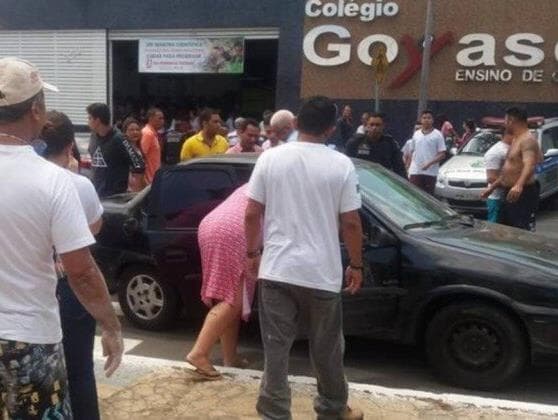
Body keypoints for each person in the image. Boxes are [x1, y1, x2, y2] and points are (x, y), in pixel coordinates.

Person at [0, 56, 123, 419]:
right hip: (28, 339)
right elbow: (81, 271)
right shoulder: (53, 181)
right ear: (36, 110)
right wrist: (111, 324)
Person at [245, 96, 364, 420]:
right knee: (327, 350)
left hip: (277, 270)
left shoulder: (270, 159)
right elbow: (351, 223)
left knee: (276, 349)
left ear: (296, 123)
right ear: (331, 127)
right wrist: (356, 264)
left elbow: (252, 214)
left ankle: (274, 413)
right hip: (321, 274)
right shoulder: (341, 164)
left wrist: (252, 253)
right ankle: (332, 409)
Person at [42, 110, 105, 420]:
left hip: (29, 287)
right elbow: (94, 229)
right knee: (79, 370)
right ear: (70, 146)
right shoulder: (78, 185)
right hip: (69, 286)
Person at [186, 184, 259, 378]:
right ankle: (199, 352)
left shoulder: (260, 176)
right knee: (233, 301)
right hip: (235, 231)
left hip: (211, 225)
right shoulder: (282, 182)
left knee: (229, 296)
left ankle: (230, 358)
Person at [481, 108, 543, 231]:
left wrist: (519, 185)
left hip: (522, 193)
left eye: (505, 121)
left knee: (519, 230)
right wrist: (492, 188)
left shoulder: (527, 140)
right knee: (504, 229)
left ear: (511, 121)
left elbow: (529, 164)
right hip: (509, 191)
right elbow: (508, 169)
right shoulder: (516, 139)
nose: (504, 124)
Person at [87, 103, 145, 197]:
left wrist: (137, 196)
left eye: (89, 118)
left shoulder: (119, 139)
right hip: (96, 195)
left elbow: (139, 165)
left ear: (97, 120)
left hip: (115, 198)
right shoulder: (93, 136)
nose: (87, 122)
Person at [345, 112, 406, 177]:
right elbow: (347, 166)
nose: (374, 127)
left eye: (377, 125)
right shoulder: (355, 142)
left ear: (383, 126)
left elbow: (399, 169)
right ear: (367, 126)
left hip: (382, 180)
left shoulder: (390, 144)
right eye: (371, 124)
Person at [408, 110, 447, 194]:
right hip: (415, 171)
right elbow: (412, 151)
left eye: (429, 118)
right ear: (421, 120)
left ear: (432, 120)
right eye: (424, 118)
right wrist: (408, 167)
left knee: (427, 197)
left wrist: (429, 164)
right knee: (413, 195)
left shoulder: (438, 134)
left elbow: (442, 154)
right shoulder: (416, 134)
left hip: (430, 173)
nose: (426, 120)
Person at [483, 131, 513, 223]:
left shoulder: (513, 148)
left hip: (509, 197)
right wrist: (511, 185)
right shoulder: (496, 152)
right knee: (495, 228)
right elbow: (491, 178)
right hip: (497, 197)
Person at [122, 117, 147, 192]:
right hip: (130, 192)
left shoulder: (140, 149)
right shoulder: (124, 150)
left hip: (140, 191)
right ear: (125, 132)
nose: (135, 132)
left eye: (137, 130)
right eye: (131, 130)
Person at [140, 107, 164, 184]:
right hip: (149, 181)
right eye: (159, 118)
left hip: (154, 178)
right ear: (151, 118)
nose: (162, 121)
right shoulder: (148, 134)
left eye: (163, 118)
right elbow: (141, 157)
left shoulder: (153, 134)